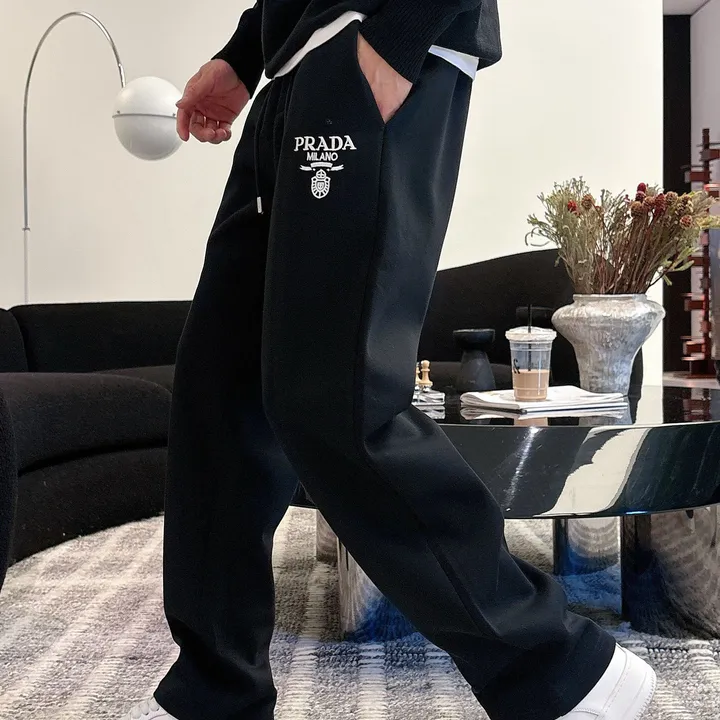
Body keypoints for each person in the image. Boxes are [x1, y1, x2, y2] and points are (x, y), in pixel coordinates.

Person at [124, 2, 657, 719]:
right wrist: (245, 54)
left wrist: (397, 37)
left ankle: (560, 671)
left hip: (369, 40)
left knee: (338, 402)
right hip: (292, 76)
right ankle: (216, 697)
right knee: (221, 402)